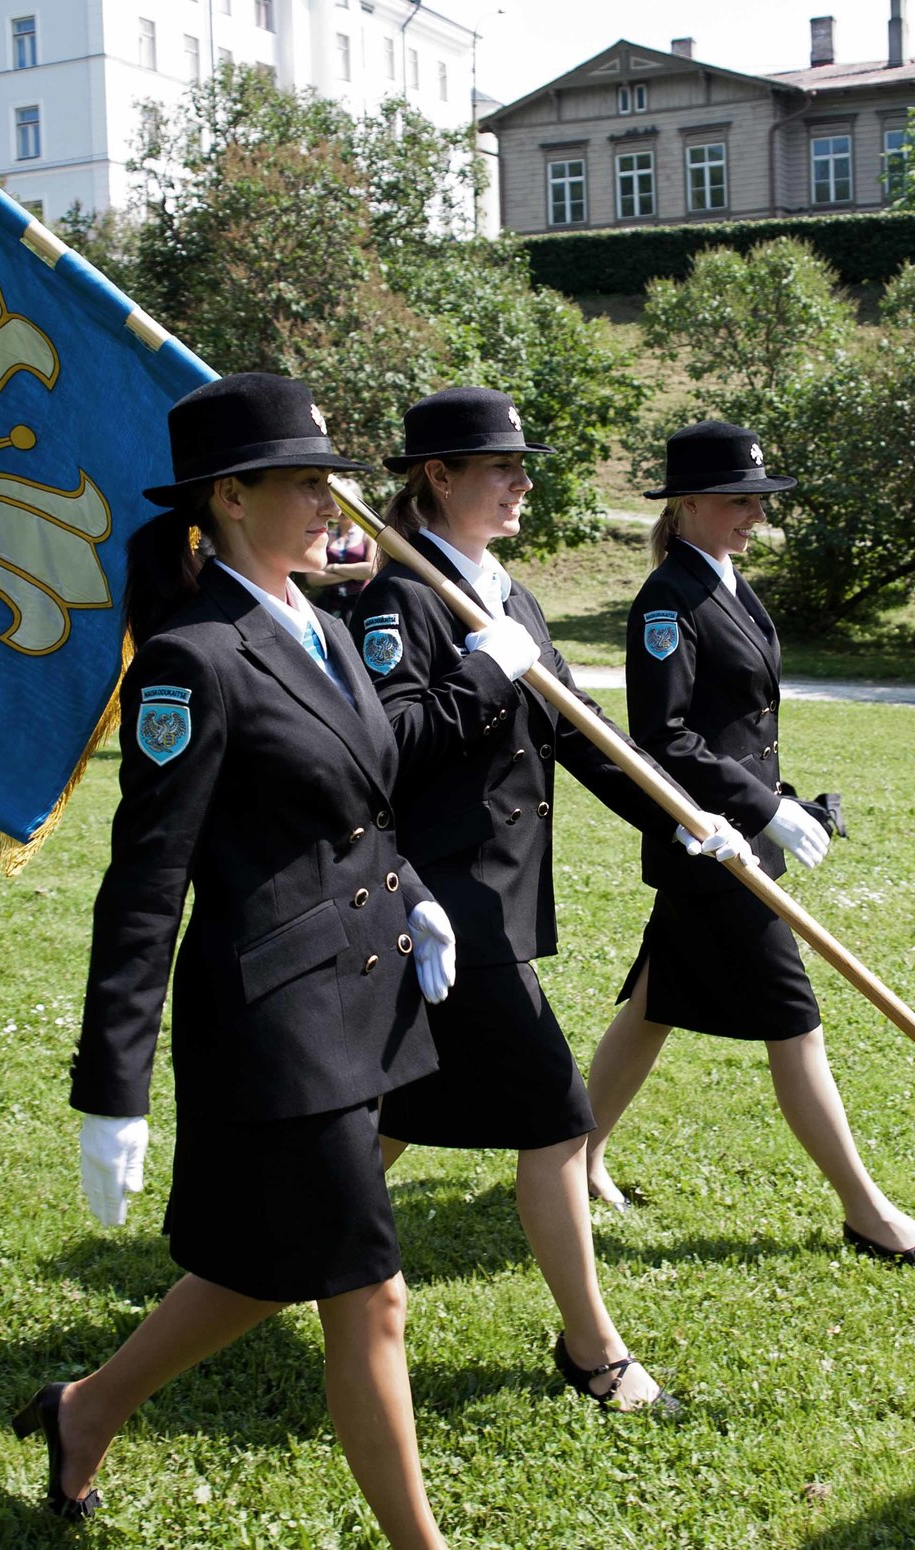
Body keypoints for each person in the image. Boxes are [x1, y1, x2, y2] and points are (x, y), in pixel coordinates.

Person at [24, 373, 492, 1550]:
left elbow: (362, 796)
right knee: (369, 1285)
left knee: (268, 1262)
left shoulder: (324, 622)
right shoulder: (188, 659)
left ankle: (89, 1405)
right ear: (229, 499)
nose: (327, 500)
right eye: (301, 481)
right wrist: (110, 1089)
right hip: (273, 1019)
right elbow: (144, 881)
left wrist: (413, 892)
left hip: (364, 988)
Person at [348, 387, 712, 1410]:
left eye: (522, 465)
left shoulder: (503, 591)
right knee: (557, 1120)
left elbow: (579, 729)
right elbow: (387, 750)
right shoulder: (401, 598)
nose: (521, 482)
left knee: (390, 1113)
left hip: (492, 902)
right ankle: (593, 1350)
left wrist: (680, 810)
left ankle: (259, 1253)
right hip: (436, 904)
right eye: (498, 467)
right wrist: (477, 671)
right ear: (438, 478)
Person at [582, 421, 915, 1269]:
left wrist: (780, 803)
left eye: (759, 499)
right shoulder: (666, 598)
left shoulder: (725, 580)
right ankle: (869, 1213)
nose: (753, 513)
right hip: (716, 849)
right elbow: (667, 737)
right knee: (796, 1022)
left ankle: (578, 1154)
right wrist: (759, 811)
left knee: (652, 1004)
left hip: (736, 838)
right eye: (736, 499)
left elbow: (738, 721)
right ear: (687, 503)